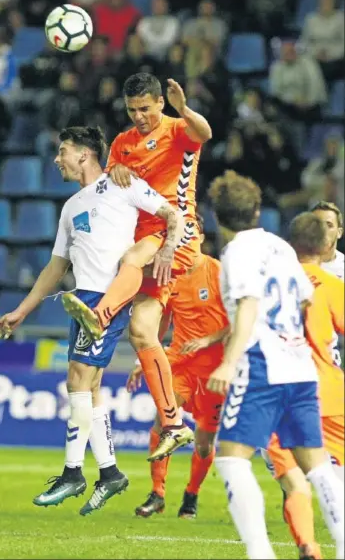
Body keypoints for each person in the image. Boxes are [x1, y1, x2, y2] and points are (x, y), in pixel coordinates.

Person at [0, 125, 185, 516]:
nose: (56, 158)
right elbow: (54, 267)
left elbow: (171, 213)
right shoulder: (70, 207)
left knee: (77, 380)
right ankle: (110, 472)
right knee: (89, 388)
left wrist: (166, 250)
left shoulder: (124, 184)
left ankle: (72, 472)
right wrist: (21, 310)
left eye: (62, 150)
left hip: (108, 300)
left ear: (84, 154)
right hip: (81, 299)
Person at [61, 73, 212, 462]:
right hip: (144, 237)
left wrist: (184, 108)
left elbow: (205, 133)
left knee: (129, 261)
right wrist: (115, 171)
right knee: (143, 332)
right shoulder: (123, 143)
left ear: (160, 103)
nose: (140, 116)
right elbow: (111, 183)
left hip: (175, 230)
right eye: (133, 110)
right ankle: (175, 424)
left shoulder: (178, 129)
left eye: (146, 108)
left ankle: (101, 313)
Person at [207, 170, 344, 560]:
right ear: (257, 211)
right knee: (317, 466)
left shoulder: (235, 254)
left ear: (218, 217)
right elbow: (304, 299)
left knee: (232, 458)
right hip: (301, 370)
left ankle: (260, 553)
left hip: (261, 369)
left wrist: (229, 362)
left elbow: (248, 303)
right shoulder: (280, 249)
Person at [126, 215, 229, 518]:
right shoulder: (169, 274)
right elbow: (160, 320)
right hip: (180, 362)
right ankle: (157, 493)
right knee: (163, 422)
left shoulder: (219, 272)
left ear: (200, 237)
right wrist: (141, 359)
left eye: (190, 232)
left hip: (214, 369)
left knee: (204, 442)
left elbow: (240, 321)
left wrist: (208, 339)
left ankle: (191, 495)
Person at [262, 212, 344, 560]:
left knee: (292, 479)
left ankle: (308, 545)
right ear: (326, 245)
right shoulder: (332, 286)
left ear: (290, 243)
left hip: (279, 395)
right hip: (328, 393)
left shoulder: (264, 284)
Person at [311, 201, 344, 280]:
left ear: (339, 233)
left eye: (329, 225)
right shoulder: (296, 264)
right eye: (317, 224)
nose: (323, 230)